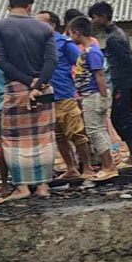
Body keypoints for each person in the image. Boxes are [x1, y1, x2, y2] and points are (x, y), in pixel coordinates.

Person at [0, 0, 58, 200]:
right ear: (30, 6)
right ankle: (43, 186)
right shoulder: (45, 28)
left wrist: (28, 82)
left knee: (14, 140)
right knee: (43, 137)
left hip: (16, 88)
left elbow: (1, 61)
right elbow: (52, 61)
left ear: (9, 5)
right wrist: (38, 84)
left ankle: (22, 188)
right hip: (44, 88)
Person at [88, 1, 132, 167]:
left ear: (102, 17)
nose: (93, 21)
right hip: (124, 81)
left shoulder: (114, 39)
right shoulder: (118, 33)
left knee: (121, 117)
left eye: (94, 17)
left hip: (122, 82)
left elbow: (129, 60)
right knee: (124, 116)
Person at [36, 10, 96, 180]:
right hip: (46, 97)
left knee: (76, 133)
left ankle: (87, 167)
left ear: (52, 25)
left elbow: (81, 64)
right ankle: (71, 168)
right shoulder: (36, 44)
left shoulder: (63, 43)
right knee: (59, 135)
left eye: (41, 22)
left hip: (65, 95)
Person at [68, 17, 119, 178]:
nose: (70, 37)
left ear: (76, 32)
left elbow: (99, 75)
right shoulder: (87, 50)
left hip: (93, 95)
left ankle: (109, 166)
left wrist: (103, 98)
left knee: (95, 131)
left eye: (71, 34)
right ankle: (108, 164)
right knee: (99, 131)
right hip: (89, 95)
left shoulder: (92, 51)